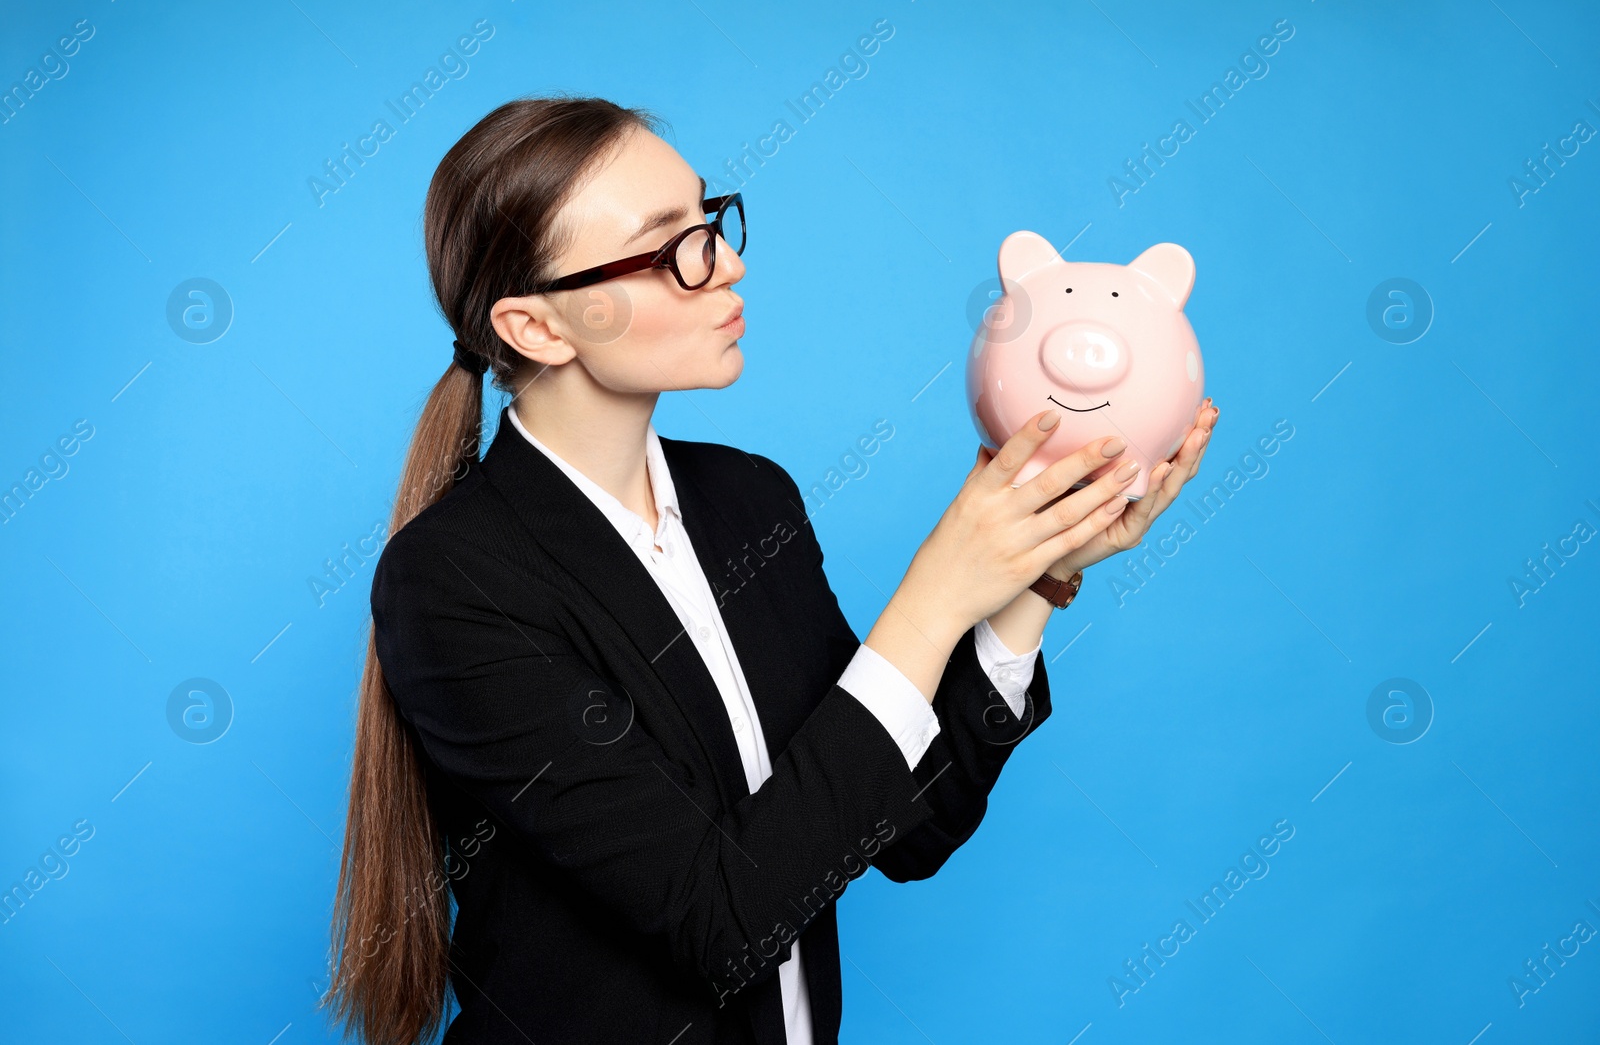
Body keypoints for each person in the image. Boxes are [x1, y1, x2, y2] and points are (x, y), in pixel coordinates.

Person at [324, 95, 1218, 1045]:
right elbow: (724, 920)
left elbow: (908, 822)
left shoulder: (750, 500)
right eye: (671, 246)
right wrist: (935, 591)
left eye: (708, 219)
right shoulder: (451, 579)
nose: (728, 261)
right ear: (539, 327)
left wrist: (1038, 576)